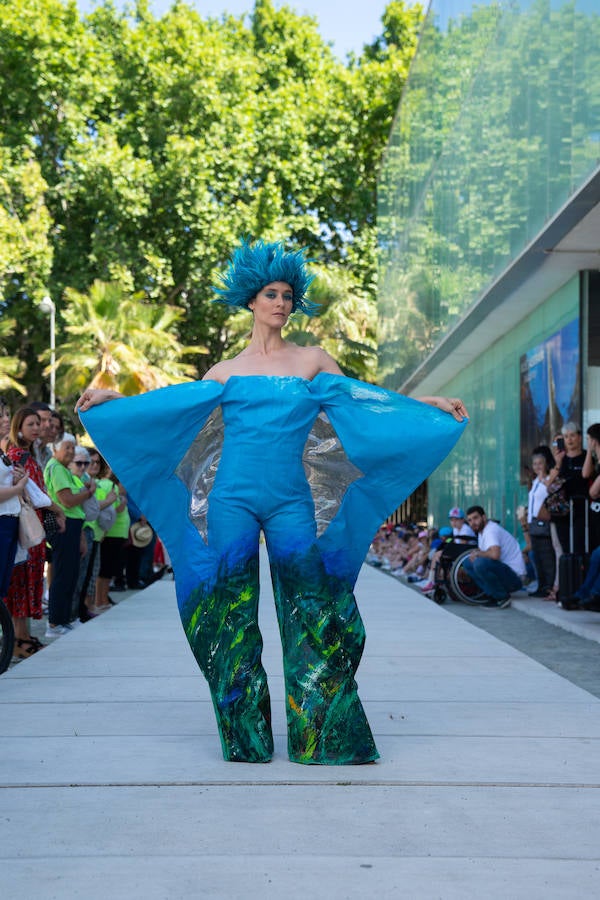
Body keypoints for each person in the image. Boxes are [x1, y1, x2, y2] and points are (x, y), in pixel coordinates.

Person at [76, 238, 468, 765]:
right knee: (230, 615)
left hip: (291, 501)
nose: (281, 302)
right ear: (251, 301)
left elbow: (366, 402)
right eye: (270, 293)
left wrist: (428, 405)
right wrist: (113, 403)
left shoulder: (311, 360)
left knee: (314, 609)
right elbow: (171, 408)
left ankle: (320, 736)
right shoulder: (225, 370)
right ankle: (246, 739)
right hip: (230, 500)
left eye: (287, 294)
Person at [4, 408, 65, 655]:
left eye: (38, 423)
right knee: (21, 581)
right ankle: (18, 639)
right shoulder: (17, 455)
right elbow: (36, 494)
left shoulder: (30, 454)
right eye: (31, 424)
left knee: (30, 579)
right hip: (25, 525)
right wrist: (58, 510)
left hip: (33, 524)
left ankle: (24, 635)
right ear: (19, 428)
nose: (38, 428)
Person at [44, 434, 96, 635]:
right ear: (55, 448)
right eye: (67, 447)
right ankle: (55, 622)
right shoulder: (56, 468)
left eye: (73, 448)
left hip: (74, 526)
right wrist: (89, 492)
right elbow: (67, 500)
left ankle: (64, 619)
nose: (71, 452)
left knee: (71, 574)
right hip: (63, 525)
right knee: (63, 574)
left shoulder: (64, 470)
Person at [0, 399, 30, 635]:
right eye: (1, 415)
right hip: (2, 521)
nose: (6, 419)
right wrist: (19, 488)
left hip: (9, 521)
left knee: (3, 586)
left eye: (7, 414)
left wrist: (17, 478)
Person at [463, 506, 526, 608]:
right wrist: (477, 553)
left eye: (475, 518)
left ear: (483, 517)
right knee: (467, 563)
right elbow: (485, 552)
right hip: (504, 573)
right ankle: (491, 594)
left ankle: (502, 597)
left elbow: (495, 555)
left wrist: (478, 554)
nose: (473, 523)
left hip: (514, 578)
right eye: (469, 520)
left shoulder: (491, 530)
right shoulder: (481, 532)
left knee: (480, 563)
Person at [526, 445, 556, 598]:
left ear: (545, 464)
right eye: (535, 464)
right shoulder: (535, 482)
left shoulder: (546, 482)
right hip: (533, 524)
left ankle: (549, 586)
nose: (537, 466)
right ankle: (541, 585)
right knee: (536, 556)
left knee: (546, 557)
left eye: (540, 463)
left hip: (542, 523)